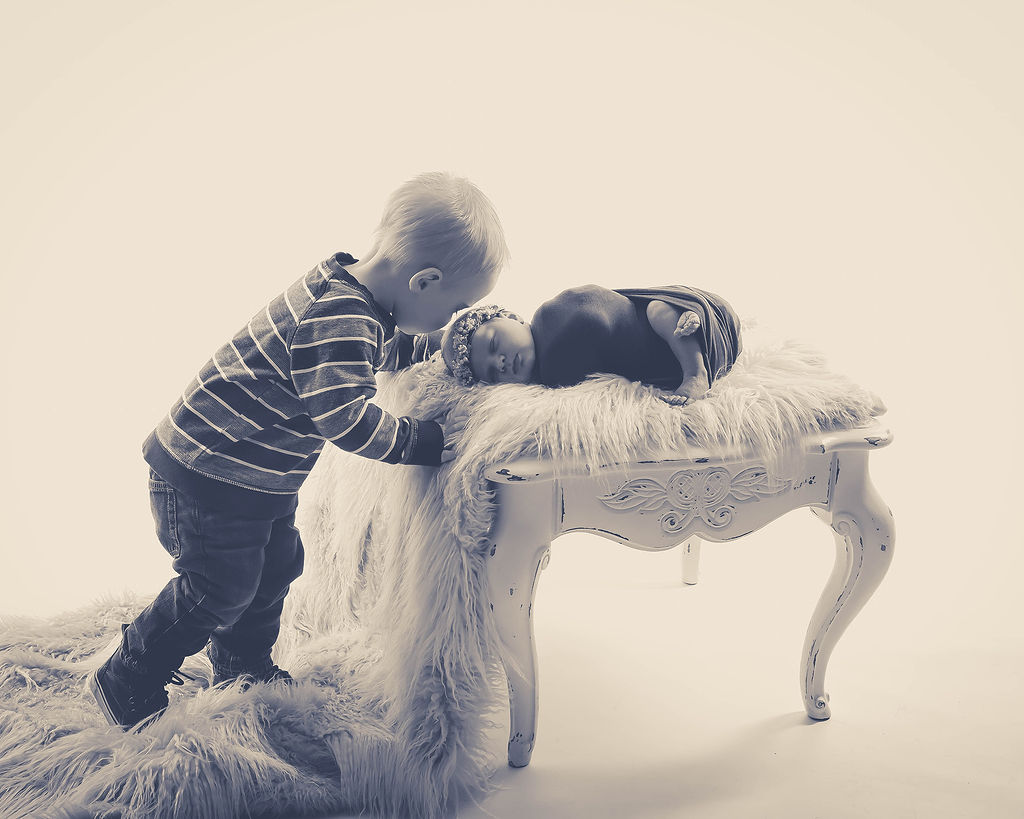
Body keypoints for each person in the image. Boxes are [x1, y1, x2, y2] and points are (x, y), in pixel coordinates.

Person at [87, 172, 509, 730]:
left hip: (253, 477)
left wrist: (444, 347)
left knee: (277, 566)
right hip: (208, 475)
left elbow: (383, 347)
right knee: (217, 588)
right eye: (454, 307)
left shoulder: (361, 298)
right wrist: (422, 440)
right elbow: (347, 420)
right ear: (424, 280)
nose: (448, 320)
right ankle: (128, 673)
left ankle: (242, 662)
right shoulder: (339, 316)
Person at [413, 284, 741, 402]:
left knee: (659, 311)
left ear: (511, 317)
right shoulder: (547, 374)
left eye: (495, 343)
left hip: (701, 327)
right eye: (492, 372)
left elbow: (597, 311)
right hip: (658, 360)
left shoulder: (549, 317)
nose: (500, 361)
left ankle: (695, 373)